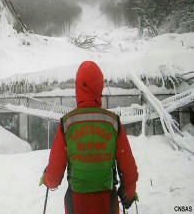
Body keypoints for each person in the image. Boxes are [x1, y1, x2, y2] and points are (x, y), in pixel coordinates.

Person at [39, 61, 138, 214]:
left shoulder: (67, 123)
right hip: (107, 202)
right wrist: (128, 193)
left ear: (78, 87)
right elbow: (128, 169)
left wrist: (48, 180)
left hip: (76, 202)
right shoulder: (112, 122)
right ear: (99, 87)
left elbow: (55, 170)